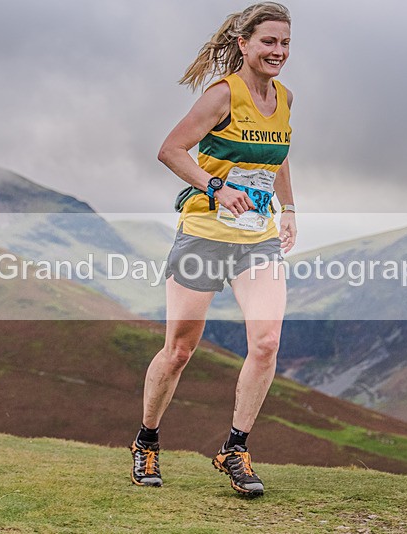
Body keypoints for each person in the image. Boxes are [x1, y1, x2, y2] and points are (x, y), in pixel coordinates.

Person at [129, 2, 296, 497]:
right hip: (205, 233)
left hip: (257, 238)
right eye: (269, 41)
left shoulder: (284, 98)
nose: (278, 51)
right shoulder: (223, 94)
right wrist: (216, 187)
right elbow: (170, 149)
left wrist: (289, 209)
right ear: (244, 44)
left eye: (285, 43)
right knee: (179, 350)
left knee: (266, 343)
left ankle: (235, 449)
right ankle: (146, 441)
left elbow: (279, 155)